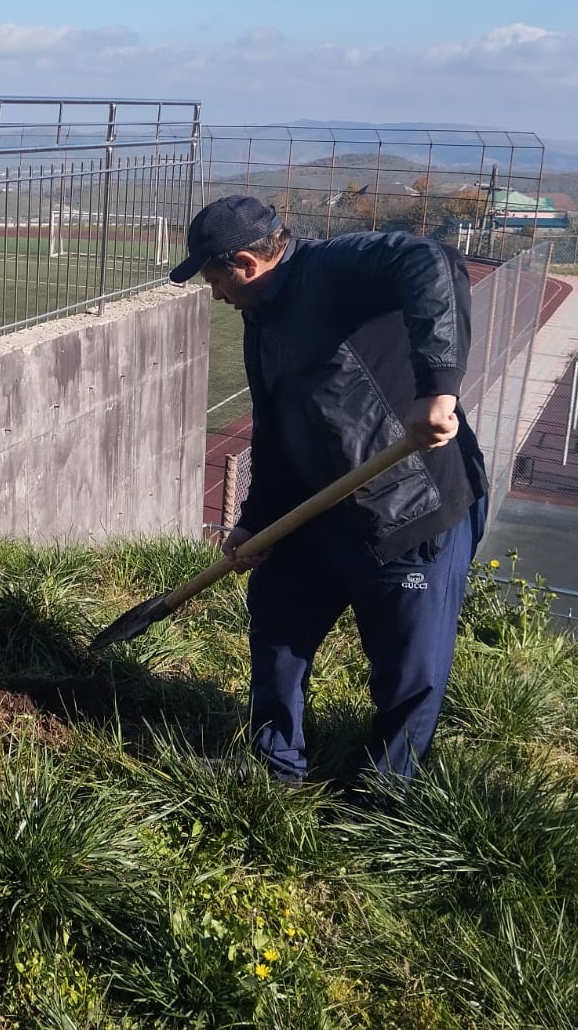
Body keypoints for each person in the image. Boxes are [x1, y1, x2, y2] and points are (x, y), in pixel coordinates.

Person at [171, 195, 488, 787]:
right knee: (277, 620)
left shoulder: (334, 269)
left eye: (214, 279)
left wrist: (437, 388)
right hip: (316, 511)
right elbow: (275, 429)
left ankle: (386, 797)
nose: (214, 294)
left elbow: (431, 262)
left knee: (406, 669)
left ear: (245, 262)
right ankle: (275, 766)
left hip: (405, 505)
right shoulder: (260, 320)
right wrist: (255, 519)